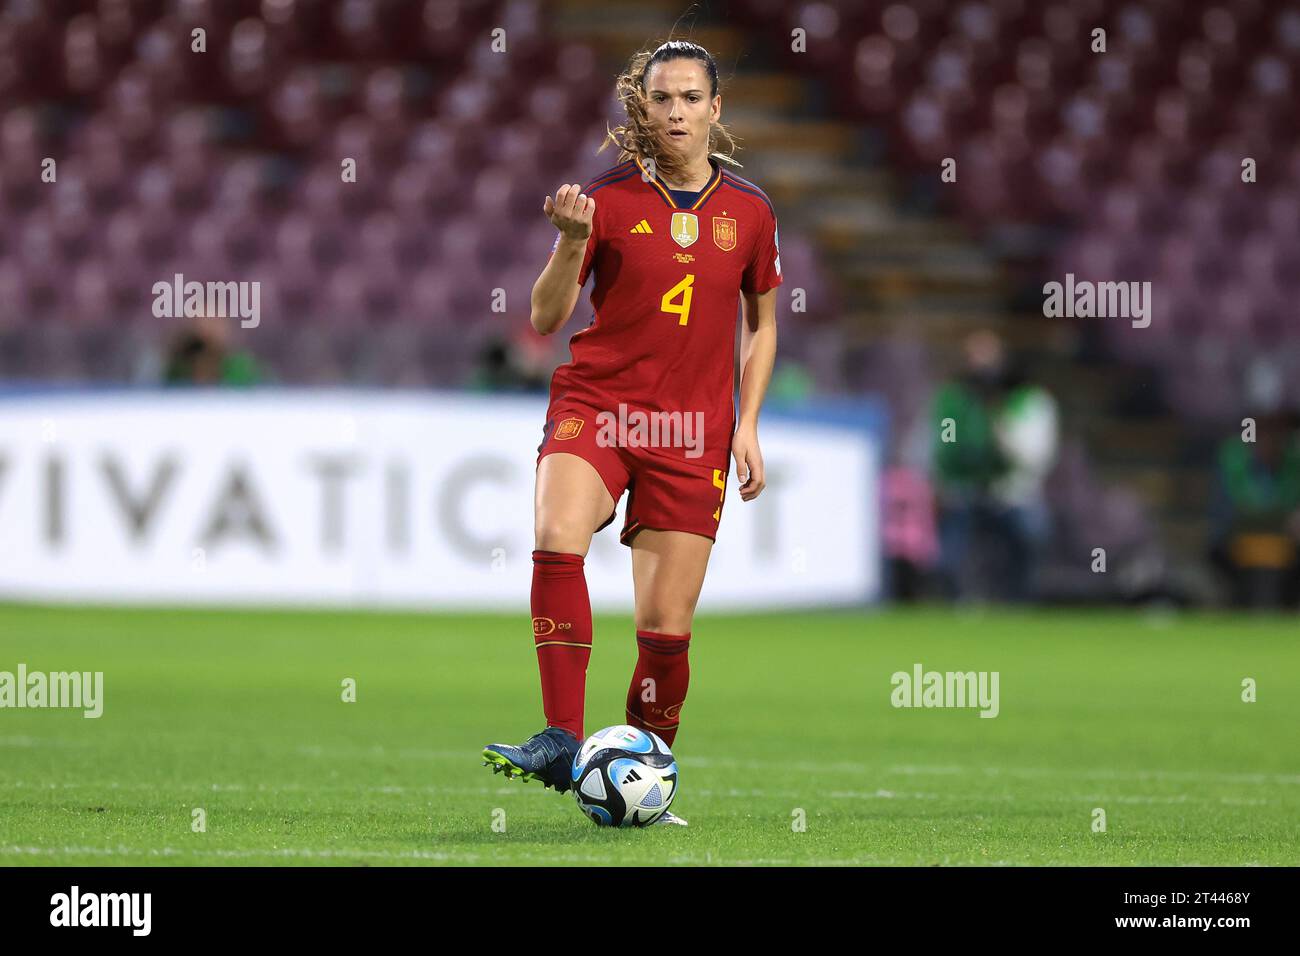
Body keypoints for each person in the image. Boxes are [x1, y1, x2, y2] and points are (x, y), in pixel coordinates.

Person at [481, 40, 782, 826]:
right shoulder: (604, 201)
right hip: (600, 405)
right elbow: (544, 320)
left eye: (690, 98)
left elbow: (763, 325)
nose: (676, 112)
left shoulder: (750, 213)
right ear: (641, 108)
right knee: (556, 532)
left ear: (716, 110)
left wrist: (748, 424)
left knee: (665, 631)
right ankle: (559, 737)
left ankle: (647, 776)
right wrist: (571, 241)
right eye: (661, 99)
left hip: (692, 431)